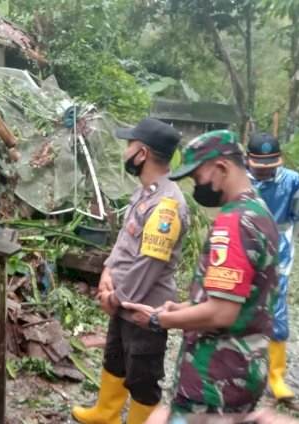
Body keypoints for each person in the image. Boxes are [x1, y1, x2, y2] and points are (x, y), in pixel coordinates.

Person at [123, 130, 280, 417]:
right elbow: (240, 298)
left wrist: (159, 319)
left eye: (197, 179)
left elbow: (221, 313)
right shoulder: (259, 212)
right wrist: (182, 306)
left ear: (221, 169)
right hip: (243, 370)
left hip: (214, 380)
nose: (196, 189)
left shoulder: (234, 223)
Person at [72, 117, 189, 424]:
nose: (125, 151)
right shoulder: (144, 192)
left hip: (143, 306)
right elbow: (126, 241)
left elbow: (149, 264)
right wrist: (107, 271)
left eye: (129, 145)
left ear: (143, 154)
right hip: (122, 298)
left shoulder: (167, 205)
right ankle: (106, 413)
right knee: (115, 357)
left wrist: (117, 297)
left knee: (143, 375)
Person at [247, 132, 299, 400]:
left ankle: (276, 376)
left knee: (277, 308)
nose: (264, 172)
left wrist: (285, 240)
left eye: (269, 167)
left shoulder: (293, 181)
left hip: (279, 250)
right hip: (245, 244)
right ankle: (242, 368)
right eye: (259, 167)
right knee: (240, 303)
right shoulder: (241, 178)